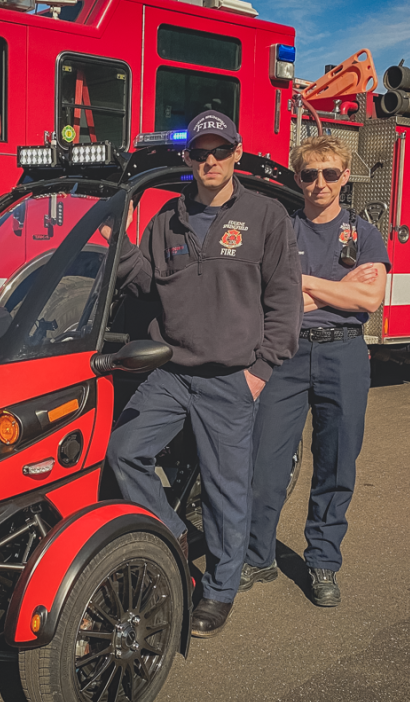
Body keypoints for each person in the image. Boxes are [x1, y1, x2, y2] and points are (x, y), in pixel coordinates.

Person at [104, 110, 302, 637]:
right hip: (171, 372)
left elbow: (284, 301)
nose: (209, 160)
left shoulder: (266, 216)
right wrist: (114, 236)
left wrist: (259, 372)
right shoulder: (166, 218)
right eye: (199, 153)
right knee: (124, 451)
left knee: (225, 490)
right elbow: (142, 282)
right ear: (187, 159)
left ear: (237, 152)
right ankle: (173, 536)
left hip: (231, 378)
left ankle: (219, 591)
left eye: (219, 151)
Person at [241, 135, 390, 607]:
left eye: (329, 173)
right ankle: (256, 556)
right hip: (284, 353)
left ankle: (323, 561)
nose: (319, 183)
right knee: (264, 465)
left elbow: (370, 299)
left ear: (346, 177)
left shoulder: (364, 234)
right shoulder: (280, 231)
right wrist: (335, 287)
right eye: (309, 174)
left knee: (336, 463)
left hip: (343, 355)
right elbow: (269, 301)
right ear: (297, 178)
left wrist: (302, 283)